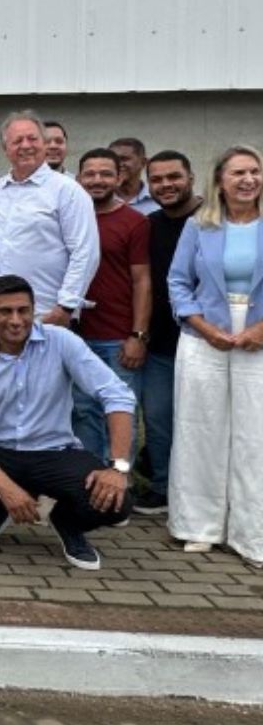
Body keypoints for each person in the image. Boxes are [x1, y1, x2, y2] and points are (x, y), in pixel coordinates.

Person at [0, 275, 136, 571]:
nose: (16, 320)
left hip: (54, 452)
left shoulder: (61, 341)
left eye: (23, 310)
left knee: (120, 501)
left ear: (34, 310)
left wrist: (118, 467)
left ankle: (67, 521)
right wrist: (5, 487)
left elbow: (117, 396)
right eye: (5, 311)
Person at [167, 145, 263, 566]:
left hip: (258, 335)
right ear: (220, 181)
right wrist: (204, 328)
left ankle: (252, 534)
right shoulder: (199, 226)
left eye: (255, 172)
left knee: (255, 436)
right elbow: (177, 282)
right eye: (239, 172)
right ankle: (198, 525)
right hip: (204, 335)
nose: (248, 180)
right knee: (200, 429)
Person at [0, 109, 99, 322]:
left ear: (44, 144)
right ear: (5, 148)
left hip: (46, 315)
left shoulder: (67, 191)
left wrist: (66, 307)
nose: (25, 145)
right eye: (17, 141)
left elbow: (85, 252)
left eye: (32, 139)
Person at [72, 148, 151, 462]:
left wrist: (138, 335)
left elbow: (143, 281)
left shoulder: (134, 222)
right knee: (83, 410)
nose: (97, 180)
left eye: (106, 173)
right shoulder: (70, 218)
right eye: (90, 174)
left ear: (120, 177)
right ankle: (86, 483)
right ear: (78, 179)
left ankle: (118, 487)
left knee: (119, 411)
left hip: (118, 336)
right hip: (77, 334)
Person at [134, 150, 202, 515]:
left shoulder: (213, 220)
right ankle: (163, 488)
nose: (165, 185)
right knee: (158, 419)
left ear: (190, 177)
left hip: (208, 342)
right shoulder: (149, 225)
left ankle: (203, 491)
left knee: (203, 420)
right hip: (160, 342)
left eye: (173, 177)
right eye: (157, 180)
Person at [109, 137, 160, 215]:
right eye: (113, 159)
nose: (118, 164)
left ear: (143, 162)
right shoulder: (98, 199)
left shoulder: (159, 198)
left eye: (124, 159)